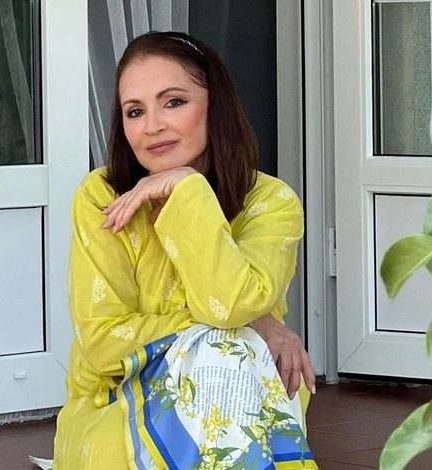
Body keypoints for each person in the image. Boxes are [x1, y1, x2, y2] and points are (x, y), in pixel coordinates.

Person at [53, 31, 318, 470]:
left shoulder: (271, 202)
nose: (152, 126)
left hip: (241, 393)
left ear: (217, 105)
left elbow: (231, 302)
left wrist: (188, 189)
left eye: (173, 102)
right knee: (227, 345)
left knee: (227, 355)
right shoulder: (103, 196)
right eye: (135, 111)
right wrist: (257, 323)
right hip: (118, 403)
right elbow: (102, 342)